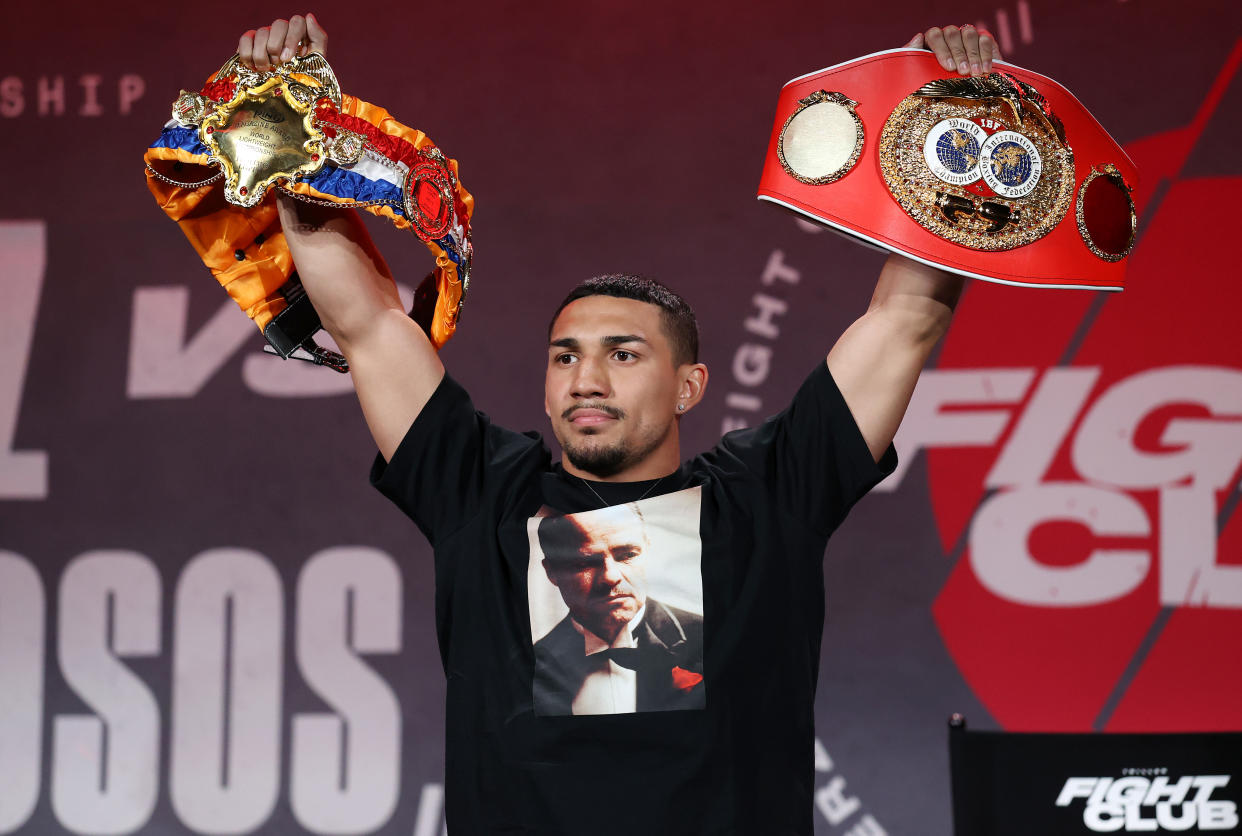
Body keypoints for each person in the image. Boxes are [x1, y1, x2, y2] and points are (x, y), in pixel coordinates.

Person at [234, 14, 1000, 834]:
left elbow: (904, 320)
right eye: (565, 357)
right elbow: (368, 326)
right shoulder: (479, 491)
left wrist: (957, 125)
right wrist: (291, 117)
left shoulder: (768, 497)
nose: (586, 379)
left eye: (623, 355)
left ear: (690, 386)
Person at [533, 503, 705, 716]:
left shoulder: (707, 637)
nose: (610, 577)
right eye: (584, 563)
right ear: (552, 572)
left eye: (627, 555)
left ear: (647, 550)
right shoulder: (532, 665)